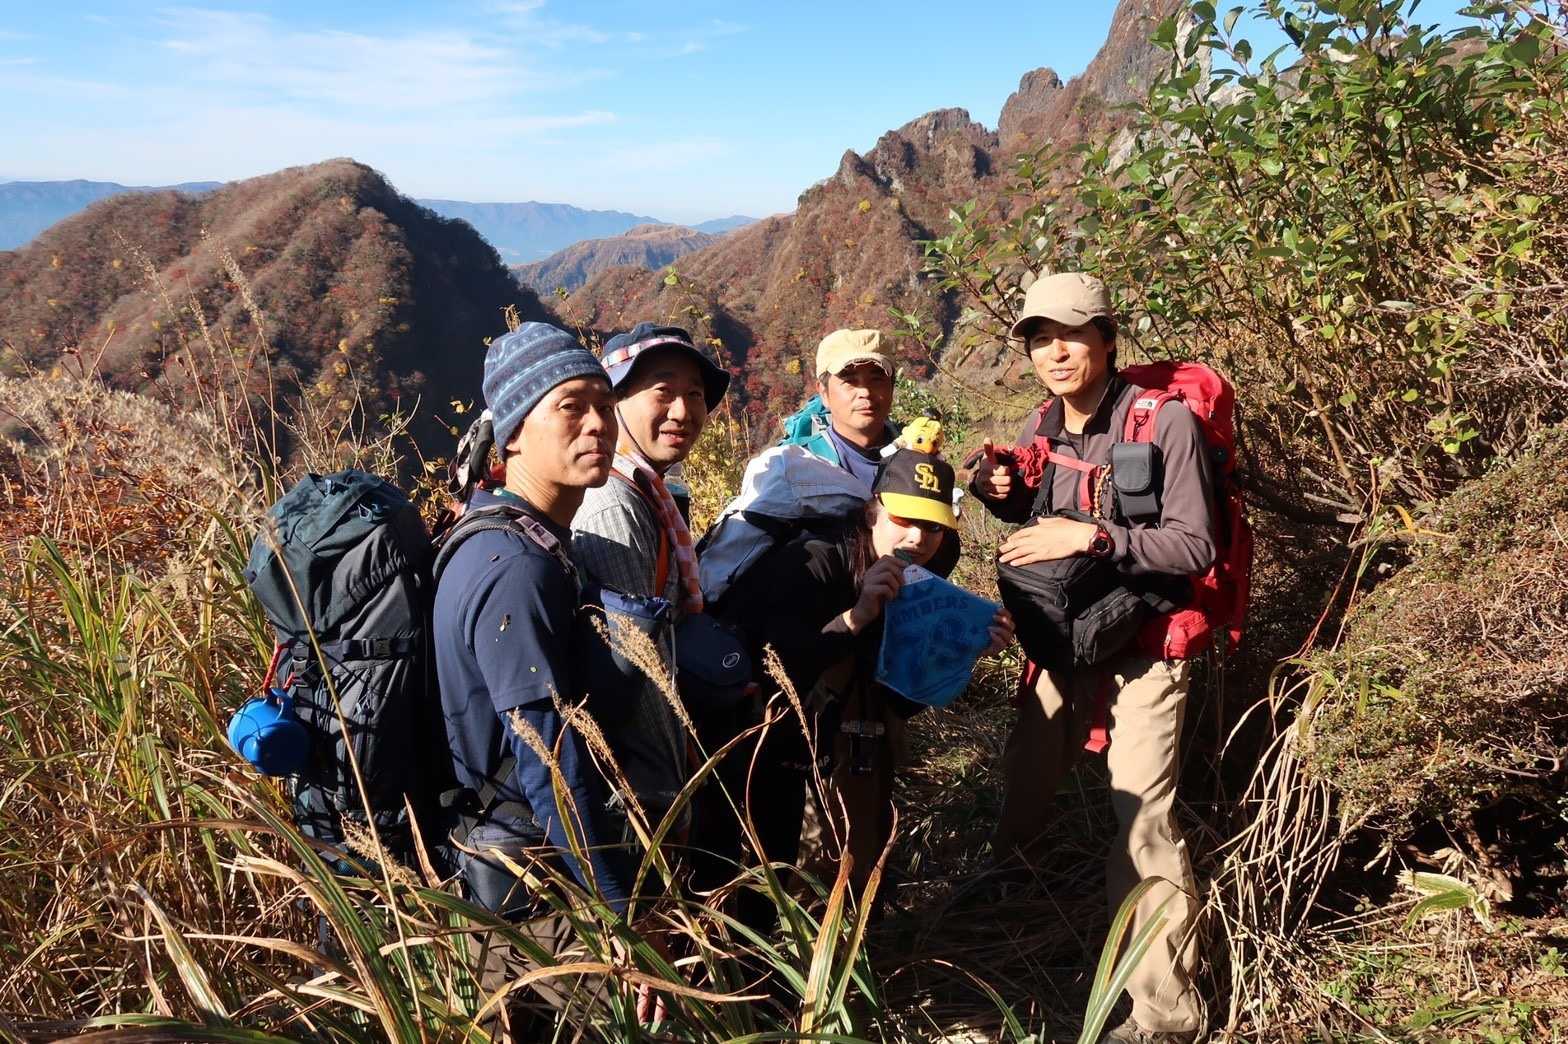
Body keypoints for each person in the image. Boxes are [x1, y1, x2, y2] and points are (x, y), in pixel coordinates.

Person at [971, 273, 1214, 1044]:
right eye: (1040, 339)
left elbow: (1195, 545)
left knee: (1141, 816)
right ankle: (1012, 898)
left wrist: (1094, 536)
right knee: (1027, 772)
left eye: (1071, 335)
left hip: (1144, 643)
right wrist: (1000, 493)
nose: (1055, 352)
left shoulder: (1163, 422)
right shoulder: (1044, 422)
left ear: (1108, 338)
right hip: (1068, 639)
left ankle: (1164, 1015)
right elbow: (1038, 514)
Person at [432, 321, 640, 1037]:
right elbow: (549, 757)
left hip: (515, 874)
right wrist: (616, 915)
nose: (598, 424)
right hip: (530, 895)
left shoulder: (518, 540)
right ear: (515, 432)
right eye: (571, 407)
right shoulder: (516, 568)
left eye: (605, 406)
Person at [709, 447, 1013, 906]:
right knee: (777, 881)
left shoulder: (918, 580)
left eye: (933, 526)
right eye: (903, 518)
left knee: (853, 866)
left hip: (855, 747)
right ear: (873, 512)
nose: (917, 537)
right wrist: (857, 616)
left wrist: (962, 651)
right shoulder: (814, 563)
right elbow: (777, 669)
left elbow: (898, 699)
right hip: (770, 751)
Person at [569, 322, 731, 840]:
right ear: (614, 401)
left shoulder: (647, 493)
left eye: (695, 395)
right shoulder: (612, 504)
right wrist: (669, 800)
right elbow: (641, 664)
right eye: (663, 392)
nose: (682, 411)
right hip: (635, 800)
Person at [699, 328, 955, 602]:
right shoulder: (797, 469)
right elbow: (739, 553)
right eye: (849, 381)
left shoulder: (918, 457)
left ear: (892, 387)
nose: (865, 392)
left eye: (877, 379)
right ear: (824, 392)